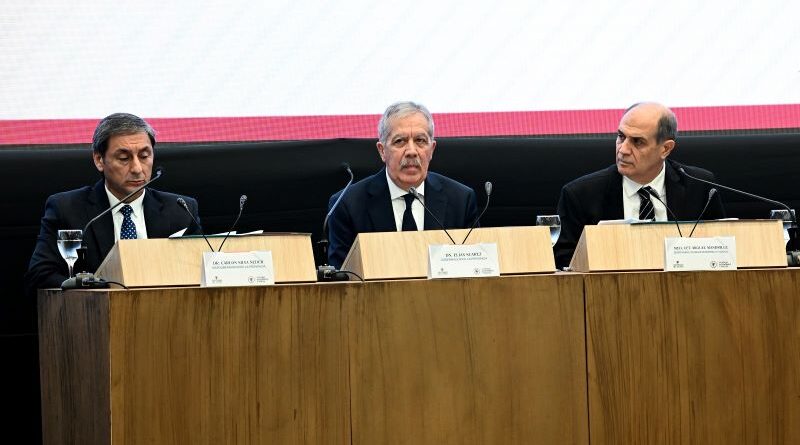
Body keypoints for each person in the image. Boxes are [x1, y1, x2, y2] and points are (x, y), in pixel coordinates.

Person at [25, 113, 202, 292]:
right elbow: (40, 274)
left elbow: (202, 274)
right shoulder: (67, 209)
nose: (137, 168)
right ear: (99, 160)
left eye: (144, 156)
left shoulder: (181, 210)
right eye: (124, 158)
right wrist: (91, 287)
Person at [554, 102, 725, 268]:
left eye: (637, 142)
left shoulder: (701, 187)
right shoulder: (581, 195)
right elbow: (564, 264)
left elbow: (721, 250)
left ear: (665, 148)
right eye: (621, 136)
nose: (623, 150)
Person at [326, 101, 479, 269]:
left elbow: (474, 269)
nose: (412, 151)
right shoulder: (347, 205)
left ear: (432, 149)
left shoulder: (461, 200)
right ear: (382, 151)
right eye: (400, 141)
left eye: (420, 140)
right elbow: (342, 278)